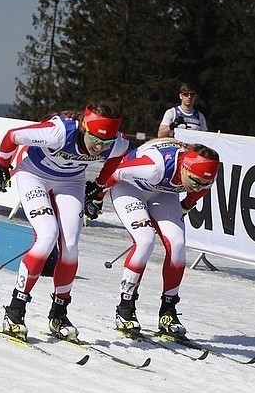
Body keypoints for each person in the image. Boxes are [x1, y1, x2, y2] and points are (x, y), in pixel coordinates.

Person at [0, 101, 130, 342]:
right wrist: (2, 166)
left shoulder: (116, 143)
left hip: (71, 183)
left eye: (105, 142)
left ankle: (59, 314)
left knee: (71, 246)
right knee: (47, 236)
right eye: (95, 139)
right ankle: (15, 311)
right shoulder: (58, 132)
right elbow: (11, 136)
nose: (99, 147)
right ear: (84, 128)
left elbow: (116, 158)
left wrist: (98, 187)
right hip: (34, 176)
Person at [86, 138, 219, 337]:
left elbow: (199, 190)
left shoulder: (200, 176)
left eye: (206, 183)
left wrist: (186, 204)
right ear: (184, 168)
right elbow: (117, 172)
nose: (199, 187)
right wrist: (96, 197)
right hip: (130, 188)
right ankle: (125, 308)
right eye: (195, 182)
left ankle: (168, 311)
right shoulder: (155, 167)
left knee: (177, 244)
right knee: (145, 240)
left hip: (163, 194)